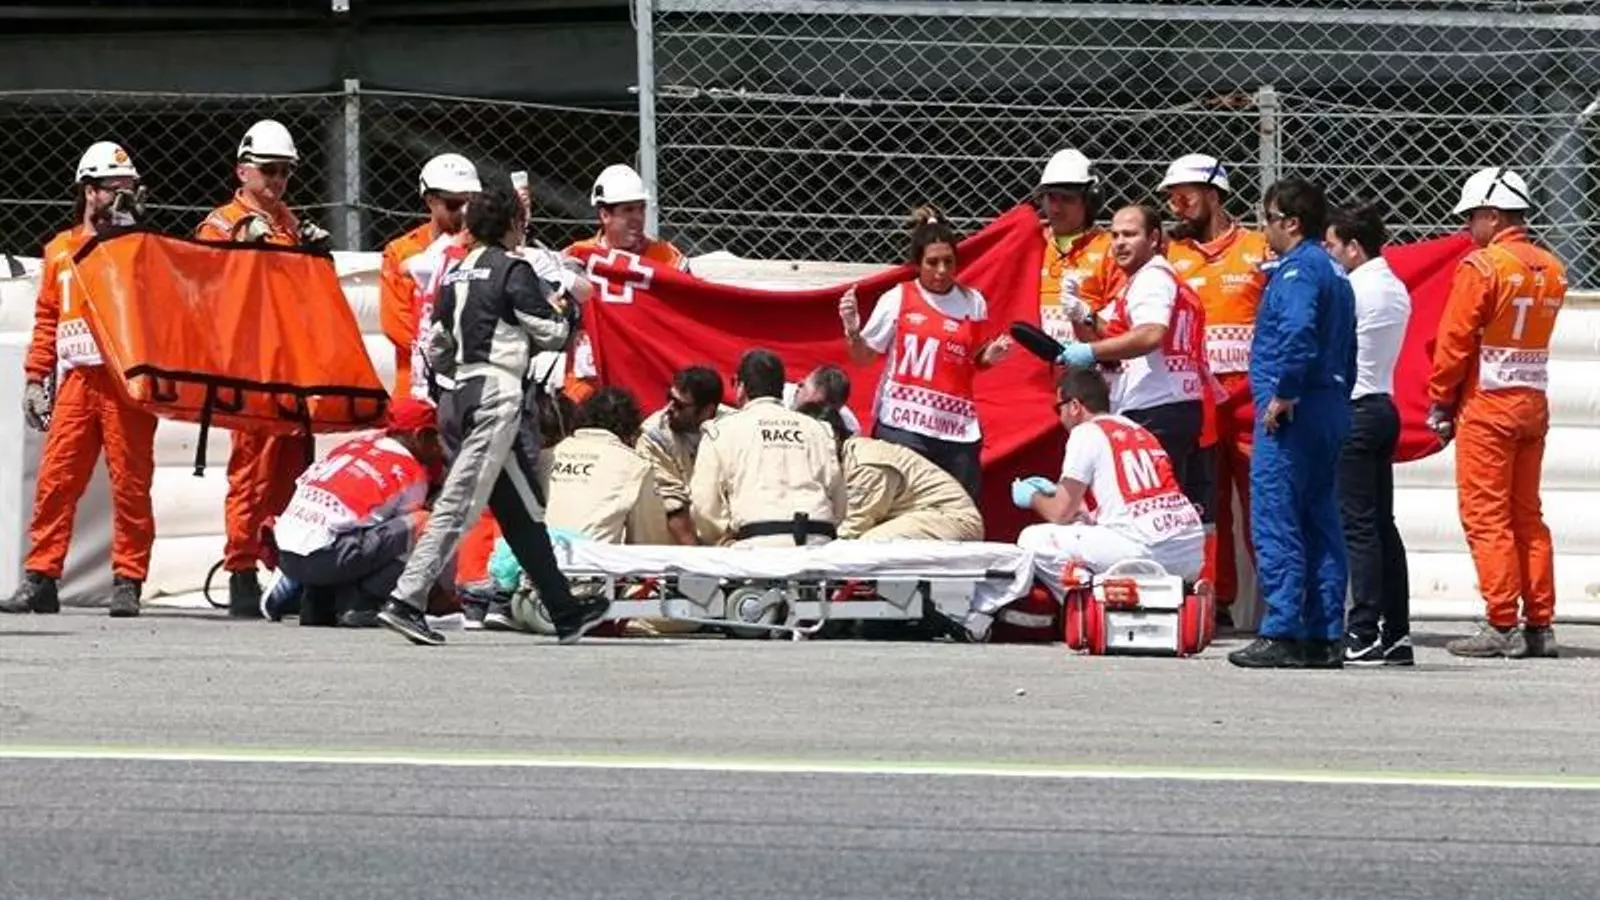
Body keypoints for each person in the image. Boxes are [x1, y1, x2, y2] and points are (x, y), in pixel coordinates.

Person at [375, 182, 609, 646]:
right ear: (511, 224)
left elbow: (437, 349)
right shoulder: (513, 269)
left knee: (522, 512)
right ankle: (406, 599)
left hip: (460, 395)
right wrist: (566, 308)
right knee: (460, 501)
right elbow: (551, 332)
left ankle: (564, 611)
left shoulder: (453, 273)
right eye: (520, 222)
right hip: (496, 396)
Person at [2, 142, 157, 618]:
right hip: (76, 382)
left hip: (126, 382)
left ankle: (128, 580)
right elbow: (47, 319)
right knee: (56, 482)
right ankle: (40, 578)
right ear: (89, 191)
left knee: (131, 483)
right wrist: (35, 378)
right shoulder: (59, 251)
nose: (122, 196)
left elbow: (157, 301)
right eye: (114, 188)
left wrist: (133, 235)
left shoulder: (140, 249)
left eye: (129, 188)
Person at [194, 119, 331, 618]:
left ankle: (287, 570)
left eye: (285, 172)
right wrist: (240, 250)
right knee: (249, 473)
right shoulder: (220, 224)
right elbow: (207, 290)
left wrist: (314, 255)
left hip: (292, 365)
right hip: (248, 366)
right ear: (243, 171)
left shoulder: (291, 225)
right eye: (270, 170)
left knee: (294, 473)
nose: (277, 181)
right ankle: (241, 570)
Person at [1429, 167, 1567, 659]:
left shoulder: (1482, 267)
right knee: (1528, 515)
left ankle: (1501, 621)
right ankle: (1540, 625)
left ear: (1492, 215)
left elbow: (1454, 341)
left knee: (1486, 515)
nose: (1467, 228)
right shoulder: (1553, 267)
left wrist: (1440, 398)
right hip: (1532, 404)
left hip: (1487, 408)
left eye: (1471, 218)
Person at [1228, 177, 1356, 670]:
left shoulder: (1298, 271)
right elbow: (1348, 345)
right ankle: (1325, 634)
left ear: (1292, 223)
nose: (1264, 228)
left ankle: (1282, 628)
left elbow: (1298, 332)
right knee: (1321, 519)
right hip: (1329, 405)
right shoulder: (1336, 271)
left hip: (1294, 412)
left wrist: (1285, 392)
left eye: (1269, 219)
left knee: (1277, 517)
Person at [1160, 153, 1272, 625]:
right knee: (1204, 502)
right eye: (1170, 199)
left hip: (1250, 397)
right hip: (1195, 396)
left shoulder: (1260, 248)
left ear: (1213, 194)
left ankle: (1279, 603)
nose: (1176, 207)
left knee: (1261, 499)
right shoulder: (1169, 254)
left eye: (1184, 197)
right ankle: (1216, 600)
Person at [838, 205, 1012, 499]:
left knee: (958, 509)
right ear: (918, 263)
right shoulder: (898, 298)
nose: (941, 270)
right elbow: (863, 357)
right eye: (932, 262)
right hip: (903, 425)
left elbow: (973, 360)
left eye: (948, 261)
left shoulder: (973, 303)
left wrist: (990, 356)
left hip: (957, 431)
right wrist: (853, 331)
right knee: (895, 505)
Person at [1055, 205, 1209, 517]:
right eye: (1114, 235)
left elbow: (1150, 334)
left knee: (1147, 507)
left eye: (1130, 234)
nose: (1120, 243)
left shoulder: (1152, 279)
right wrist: (1081, 314)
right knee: (1164, 506)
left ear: (1153, 238)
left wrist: (1091, 352)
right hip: (1172, 404)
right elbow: (1112, 332)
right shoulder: (1149, 279)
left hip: (1156, 406)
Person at [1011, 369, 1205, 593]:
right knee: (1081, 524)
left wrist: (1033, 497)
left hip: (1146, 550)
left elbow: (1060, 513)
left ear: (1074, 406)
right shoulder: (1139, 430)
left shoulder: (1085, 432)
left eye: (1059, 408)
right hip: (1190, 553)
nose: (1060, 417)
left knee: (1033, 539)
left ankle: (1093, 597)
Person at [1324, 199, 1414, 666]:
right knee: (1382, 526)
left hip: (1355, 408)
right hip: (1383, 404)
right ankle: (1396, 634)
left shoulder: (1353, 288)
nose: (1329, 253)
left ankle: (1361, 632)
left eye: (1332, 245)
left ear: (1353, 247)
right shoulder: (1394, 286)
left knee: (1357, 526)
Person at [268, 398, 446, 628]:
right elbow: (400, 546)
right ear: (421, 436)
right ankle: (363, 602)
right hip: (326, 558)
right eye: (437, 438)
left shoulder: (353, 446)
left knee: (355, 528)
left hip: (286, 554)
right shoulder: (409, 472)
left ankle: (319, 598)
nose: (441, 448)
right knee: (427, 524)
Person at [561, 163, 691, 404]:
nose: (638, 218)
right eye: (628, 210)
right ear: (605, 215)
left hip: (647, 380)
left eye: (641, 208)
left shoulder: (667, 259)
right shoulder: (576, 257)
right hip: (588, 385)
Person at [689, 349, 847, 547]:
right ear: (781, 388)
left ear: (739, 386)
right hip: (818, 539)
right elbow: (839, 500)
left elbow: (704, 505)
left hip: (755, 543)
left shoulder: (720, 431)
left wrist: (722, 538)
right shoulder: (818, 429)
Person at [378, 153, 481, 400]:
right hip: (417, 385)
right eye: (455, 204)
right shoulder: (401, 251)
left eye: (471, 203)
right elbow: (397, 325)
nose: (464, 213)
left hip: (471, 381)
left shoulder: (485, 249)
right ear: (430, 200)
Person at [801, 403, 983, 541]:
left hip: (950, 519)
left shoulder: (865, 464)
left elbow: (850, 530)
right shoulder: (835, 461)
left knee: (864, 546)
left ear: (833, 437)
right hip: (912, 516)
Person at [546, 387, 673, 546]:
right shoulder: (636, 466)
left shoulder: (547, 455)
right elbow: (650, 543)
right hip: (587, 559)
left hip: (529, 555)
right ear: (631, 430)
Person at [1034, 148, 1124, 343]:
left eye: (1067, 199)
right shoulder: (1032, 243)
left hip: (1090, 356)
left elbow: (1122, 326)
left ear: (1091, 201)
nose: (1056, 208)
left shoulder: (1111, 249)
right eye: (1050, 197)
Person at [636, 365, 729, 545]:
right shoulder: (654, 436)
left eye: (679, 405)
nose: (669, 408)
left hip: (728, 536)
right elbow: (672, 503)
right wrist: (697, 557)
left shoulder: (734, 426)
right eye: (669, 398)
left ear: (707, 411)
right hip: (680, 542)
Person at [787, 364, 862, 435]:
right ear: (800, 385)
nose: (817, 412)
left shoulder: (849, 427)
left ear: (839, 408)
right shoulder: (781, 403)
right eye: (812, 406)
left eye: (824, 408)